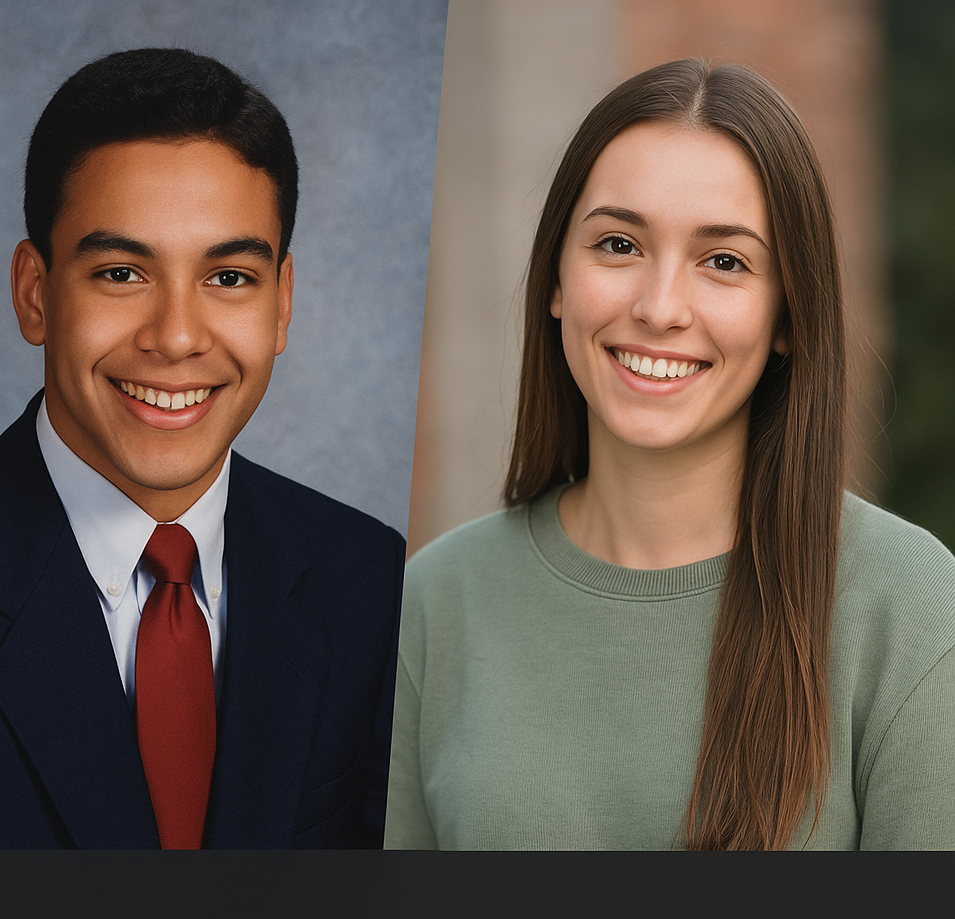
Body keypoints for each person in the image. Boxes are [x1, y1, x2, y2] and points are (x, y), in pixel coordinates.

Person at [385, 58, 955, 851]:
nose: (658, 308)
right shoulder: (429, 610)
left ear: (788, 317)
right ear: (556, 279)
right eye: (618, 244)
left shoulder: (913, 610)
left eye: (724, 261)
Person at [0, 47, 404, 849]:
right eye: (120, 273)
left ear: (283, 304)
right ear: (35, 295)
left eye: (230, 279)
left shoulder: (371, 583)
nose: (176, 338)